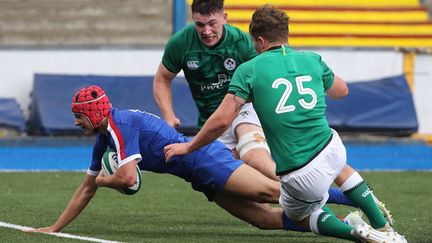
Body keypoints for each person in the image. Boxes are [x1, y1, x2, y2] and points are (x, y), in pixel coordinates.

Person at [163, 5, 407, 243]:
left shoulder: (249, 69)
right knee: (338, 163)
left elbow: (223, 120)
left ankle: (355, 232)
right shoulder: (312, 59)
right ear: (286, 35)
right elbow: (342, 90)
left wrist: (188, 146)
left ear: (258, 41)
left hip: (300, 171)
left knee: (299, 215)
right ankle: (382, 225)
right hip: (333, 148)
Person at [27, 85, 362, 235]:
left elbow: (128, 179)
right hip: (198, 174)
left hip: (204, 159)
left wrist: (105, 180)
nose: (75, 123)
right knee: (264, 219)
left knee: (274, 192)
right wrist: (55, 228)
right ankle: (346, 228)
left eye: (78, 117)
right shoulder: (105, 136)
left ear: (94, 113)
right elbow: (85, 188)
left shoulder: (119, 125)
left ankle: (358, 199)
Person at [153, 0, 277, 180]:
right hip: (210, 122)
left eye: (212, 23)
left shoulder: (242, 43)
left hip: (241, 109)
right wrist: (168, 115)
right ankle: (289, 205)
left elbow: (264, 81)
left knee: (255, 158)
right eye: (200, 24)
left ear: (224, 18)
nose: (206, 31)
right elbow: (162, 79)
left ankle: (306, 196)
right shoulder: (181, 43)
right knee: (239, 189)